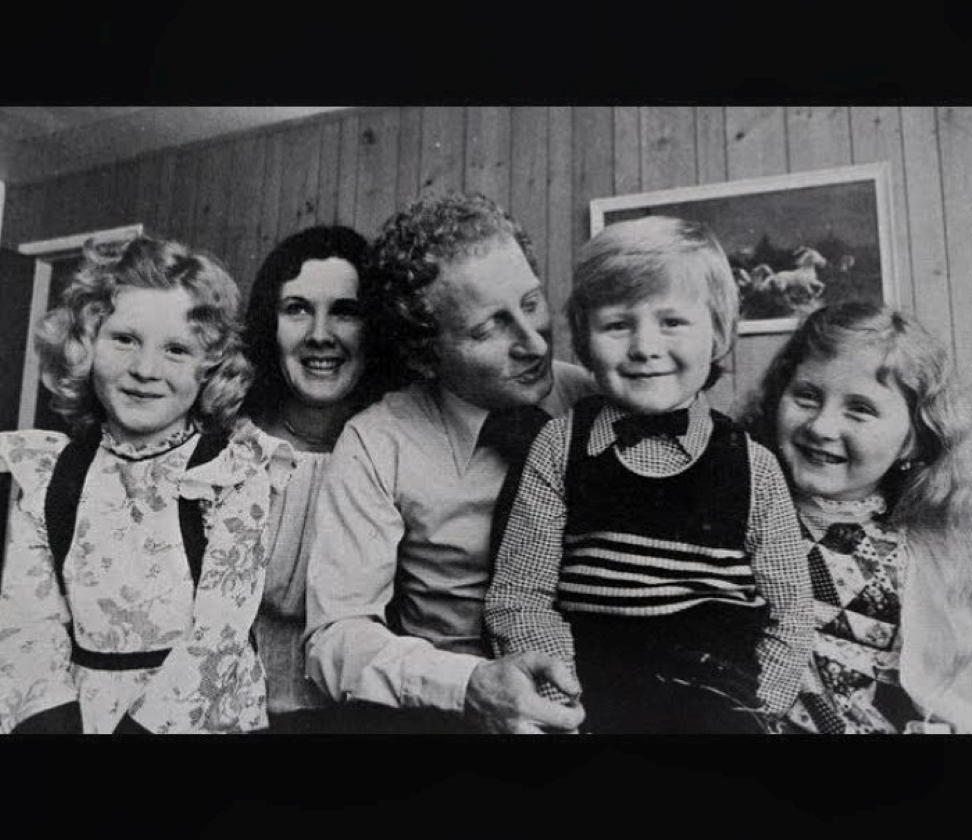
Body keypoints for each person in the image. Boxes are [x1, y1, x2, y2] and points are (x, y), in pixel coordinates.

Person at [485, 216, 814, 734]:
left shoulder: (755, 465)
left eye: (672, 322)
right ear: (584, 341)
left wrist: (757, 711)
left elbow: (790, 612)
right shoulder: (558, 446)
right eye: (617, 325)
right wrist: (562, 704)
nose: (644, 346)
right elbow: (520, 597)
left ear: (719, 333)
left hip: (718, 707)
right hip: (589, 704)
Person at [304, 192, 596, 733]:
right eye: (489, 329)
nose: (533, 344)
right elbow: (334, 637)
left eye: (532, 303)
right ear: (424, 354)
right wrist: (468, 686)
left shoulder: (591, 399)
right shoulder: (377, 443)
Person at [0, 236, 293, 734]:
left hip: (197, 715)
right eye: (124, 339)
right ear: (85, 344)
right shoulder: (50, 473)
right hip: (81, 717)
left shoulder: (230, 472)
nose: (144, 370)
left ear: (210, 368)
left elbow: (218, 636)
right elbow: (28, 623)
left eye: (176, 350)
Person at [741, 300, 972, 733]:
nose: (821, 427)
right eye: (806, 396)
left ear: (915, 438)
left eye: (859, 409)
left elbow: (971, 697)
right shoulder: (738, 513)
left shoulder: (932, 553)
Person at [243, 225, 391, 733]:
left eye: (345, 311)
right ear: (270, 323)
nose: (320, 334)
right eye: (297, 309)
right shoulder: (229, 445)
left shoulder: (397, 451)